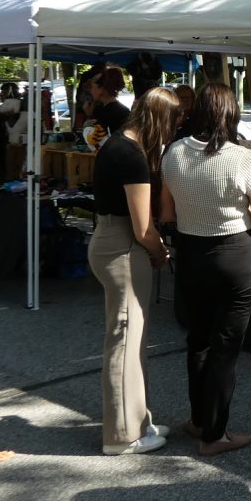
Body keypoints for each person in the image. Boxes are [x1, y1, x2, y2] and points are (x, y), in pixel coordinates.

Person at [159, 83, 251, 457]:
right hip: (235, 256)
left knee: (198, 340)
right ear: (231, 114)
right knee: (225, 346)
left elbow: (167, 214)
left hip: (191, 253)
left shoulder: (173, 153)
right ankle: (215, 434)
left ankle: (197, 419)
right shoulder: (242, 158)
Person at [91, 87, 180, 455]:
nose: (176, 130)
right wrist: (161, 253)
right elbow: (144, 228)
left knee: (130, 340)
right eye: (175, 122)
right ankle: (122, 435)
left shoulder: (116, 144)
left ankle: (137, 419)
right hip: (123, 247)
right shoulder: (132, 156)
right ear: (162, 120)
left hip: (111, 240)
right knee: (125, 342)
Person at [90, 65, 131, 133]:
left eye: (92, 87)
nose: (90, 90)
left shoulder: (121, 112)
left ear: (101, 89)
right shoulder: (99, 109)